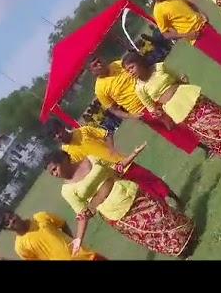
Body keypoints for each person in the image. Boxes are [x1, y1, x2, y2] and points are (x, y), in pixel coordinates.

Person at [45, 150, 195, 258]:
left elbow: (115, 168)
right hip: (115, 212)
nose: (55, 174)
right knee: (149, 232)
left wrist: (132, 155)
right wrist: (78, 239)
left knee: (162, 214)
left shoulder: (90, 159)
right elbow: (83, 214)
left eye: (54, 169)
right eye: (51, 173)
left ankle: (190, 234)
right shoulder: (67, 190)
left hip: (129, 191)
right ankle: (181, 250)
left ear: (63, 160)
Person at [123, 53, 221, 160]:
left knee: (214, 116)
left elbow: (178, 78)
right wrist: (158, 114)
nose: (130, 72)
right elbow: (151, 108)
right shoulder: (139, 89)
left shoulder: (159, 67)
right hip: (176, 108)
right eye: (127, 71)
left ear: (140, 62)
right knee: (203, 129)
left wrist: (184, 80)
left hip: (186, 94)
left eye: (131, 67)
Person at [47, 119, 183, 208]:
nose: (58, 136)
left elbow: (107, 134)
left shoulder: (84, 131)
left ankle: (175, 198)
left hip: (121, 162)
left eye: (57, 131)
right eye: (54, 136)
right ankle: (166, 209)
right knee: (142, 195)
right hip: (111, 177)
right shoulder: (65, 155)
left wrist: (111, 149)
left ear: (62, 127)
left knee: (150, 179)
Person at [90, 56, 201, 154]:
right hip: (140, 109)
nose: (99, 65)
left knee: (181, 116)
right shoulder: (99, 89)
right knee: (170, 129)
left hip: (153, 94)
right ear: (92, 71)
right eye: (95, 65)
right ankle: (199, 146)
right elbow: (113, 110)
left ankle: (203, 137)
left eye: (99, 61)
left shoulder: (117, 64)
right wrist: (132, 116)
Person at [0, 210, 107, 261]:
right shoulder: (20, 247)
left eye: (11, 216)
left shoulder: (40, 217)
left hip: (87, 257)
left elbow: (62, 224)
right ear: (6, 229)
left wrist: (74, 245)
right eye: (7, 222)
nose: (12, 220)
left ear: (15, 213)